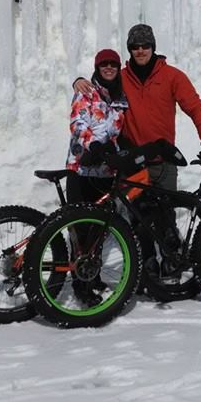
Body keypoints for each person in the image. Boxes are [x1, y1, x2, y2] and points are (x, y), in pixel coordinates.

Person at [73, 24, 201, 275]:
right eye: (135, 46)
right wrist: (78, 81)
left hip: (164, 160)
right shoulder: (121, 78)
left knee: (166, 217)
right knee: (139, 218)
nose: (140, 50)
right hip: (133, 161)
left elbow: (195, 107)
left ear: (153, 47)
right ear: (129, 49)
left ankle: (171, 262)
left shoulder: (173, 76)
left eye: (145, 46)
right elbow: (98, 87)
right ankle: (148, 264)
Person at [65, 48, 128, 304]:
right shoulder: (86, 92)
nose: (109, 68)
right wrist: (95, 146)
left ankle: (94, 274)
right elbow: (77, 125)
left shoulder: (121, 100)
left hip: (105, 173)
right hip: (81, 170)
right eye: (104, 64)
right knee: (80, 229)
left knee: (99, 229)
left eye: (113, 64)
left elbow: (118, 134)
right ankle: (80, 284)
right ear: (97, 67)